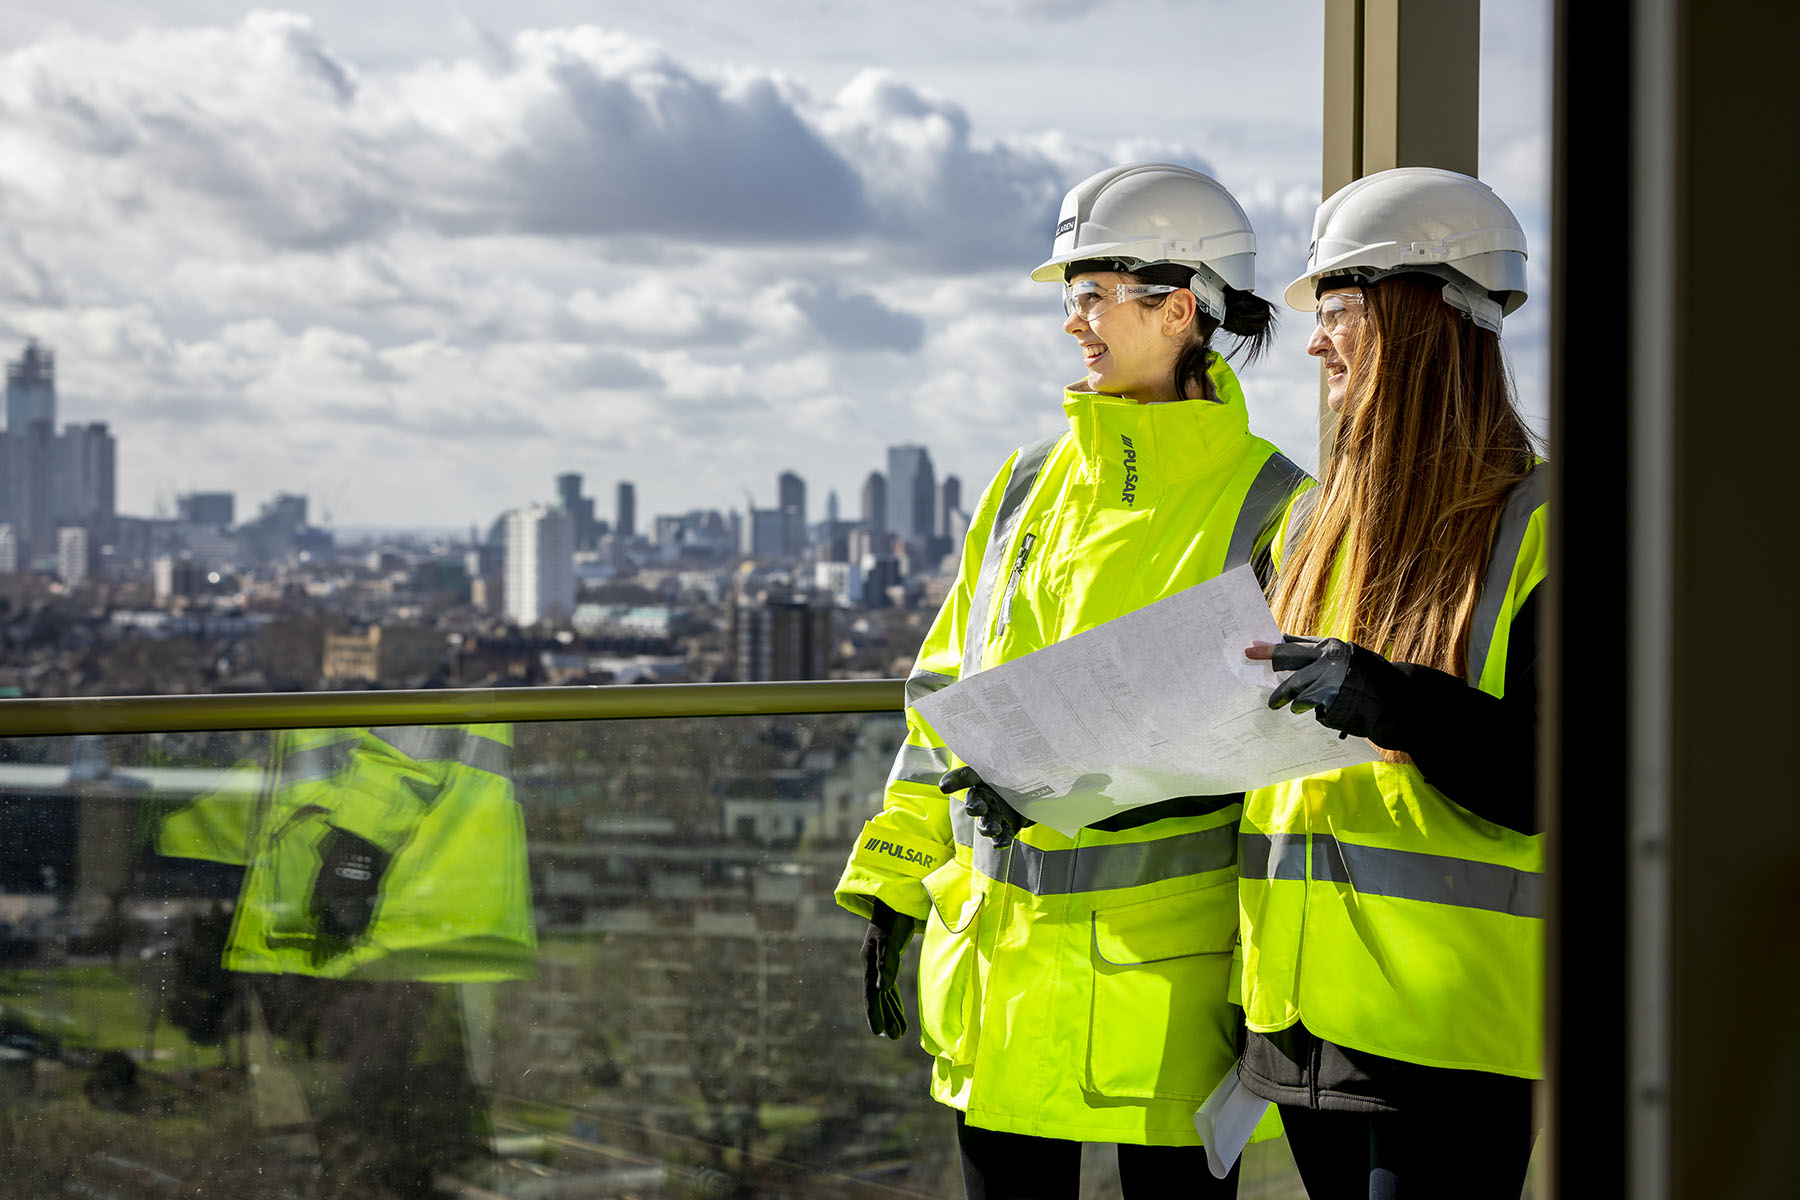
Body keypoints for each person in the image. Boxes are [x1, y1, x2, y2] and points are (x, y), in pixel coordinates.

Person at [835, 162, 1310, 1199]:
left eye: (1094, 295)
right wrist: (891, 878)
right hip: (999, 973)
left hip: (1165, 991)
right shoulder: (1020, 487)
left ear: (1178, 308)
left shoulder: (1278, 510)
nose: (1074, 323)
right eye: (1071, 297)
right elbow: (944, 700)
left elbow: (1282, 749)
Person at [1236, 167, 1546, 1199]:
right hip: (1305, 1020)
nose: (1315, 341)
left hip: (1452, 1035)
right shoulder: (1312, 526)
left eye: (1336, 309)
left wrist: (1385, 695)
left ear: (1422, 313)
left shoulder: (1543, 529)